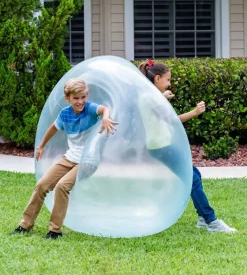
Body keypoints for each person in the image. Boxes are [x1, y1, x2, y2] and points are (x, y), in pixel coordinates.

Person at [11, 78, 118, 239]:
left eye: (83, 97)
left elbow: (105, 109)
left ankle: (55, 230)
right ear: (67, 98)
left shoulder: (90, 109)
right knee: (41, 185)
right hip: (70, 158)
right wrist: (42, 146)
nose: (80, 101)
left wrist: (105, 117)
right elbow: (53, 128)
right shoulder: (65, 114)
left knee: (62, 186)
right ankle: (25, 225)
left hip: (88, 161)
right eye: (76, 98)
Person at [138, 60, 237, 233]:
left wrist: (163, 96)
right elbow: (172, 120)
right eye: (167, 80)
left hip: (162, 145)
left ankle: (202, 218)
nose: (169, 84)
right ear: (158, 78)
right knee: (193, 179)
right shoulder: (149, 97)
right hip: (162, 147)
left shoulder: (150, 96)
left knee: (194, 175)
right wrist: (195, 112)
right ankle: (211, 221)